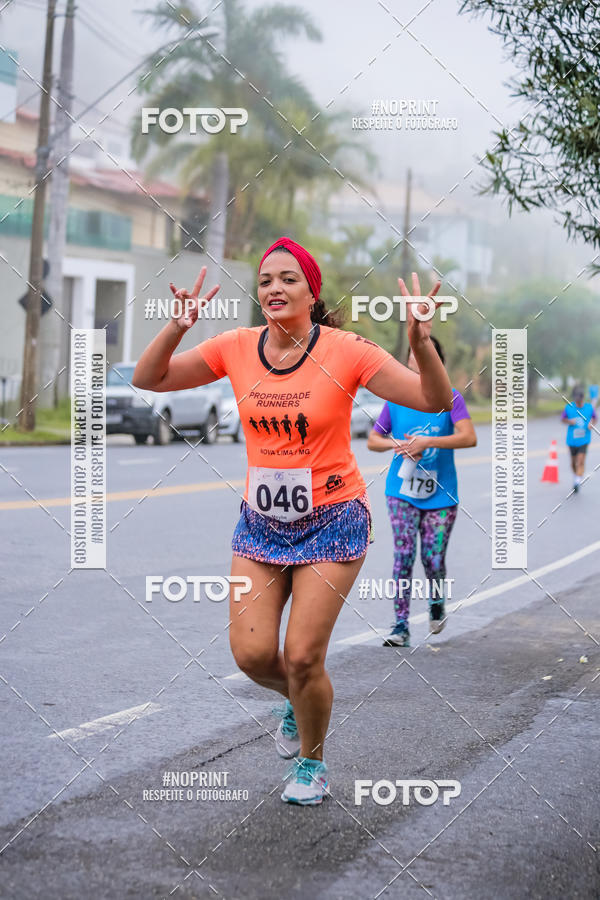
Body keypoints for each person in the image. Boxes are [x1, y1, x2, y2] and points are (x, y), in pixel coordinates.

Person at [132, 237, 453, 805]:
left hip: (333, 520)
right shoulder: (234, 347)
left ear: (312, 291)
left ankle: (312, 762)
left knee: (303, 655)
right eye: (265, 281)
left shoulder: (347, 350)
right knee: (253, 656)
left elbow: (433, 400)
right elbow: (149, 378)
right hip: (260, 525)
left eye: (287, 279)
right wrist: (178, 326)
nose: (274, 289)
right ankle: (299, 696)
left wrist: (420, 342)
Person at [367, 336, 476, 648]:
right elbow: (374, 441)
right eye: (412, 356)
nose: (417, 362)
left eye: (424, 356)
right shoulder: (396, 400)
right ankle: (400, 625)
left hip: (441, 496)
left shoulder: (451, 399)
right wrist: (396, 444)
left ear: (436, 362)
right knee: (403, 555)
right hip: (400, 490)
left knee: (432, 558)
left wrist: (429, 442)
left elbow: (468, 438)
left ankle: (436, 601)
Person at [562, 385, 596, 493]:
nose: (578, 403)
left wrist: (591, 424)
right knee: (573, 463)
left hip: (584, 440)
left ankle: (577, 482)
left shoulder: (589, 408)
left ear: (582, 398)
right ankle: (576, 476)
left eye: (580, 400)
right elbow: (563, 419)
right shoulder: (569, 407)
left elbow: (595, 418)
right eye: (576, 400)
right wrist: (569, 421)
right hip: (571, 440)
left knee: (580, 461)